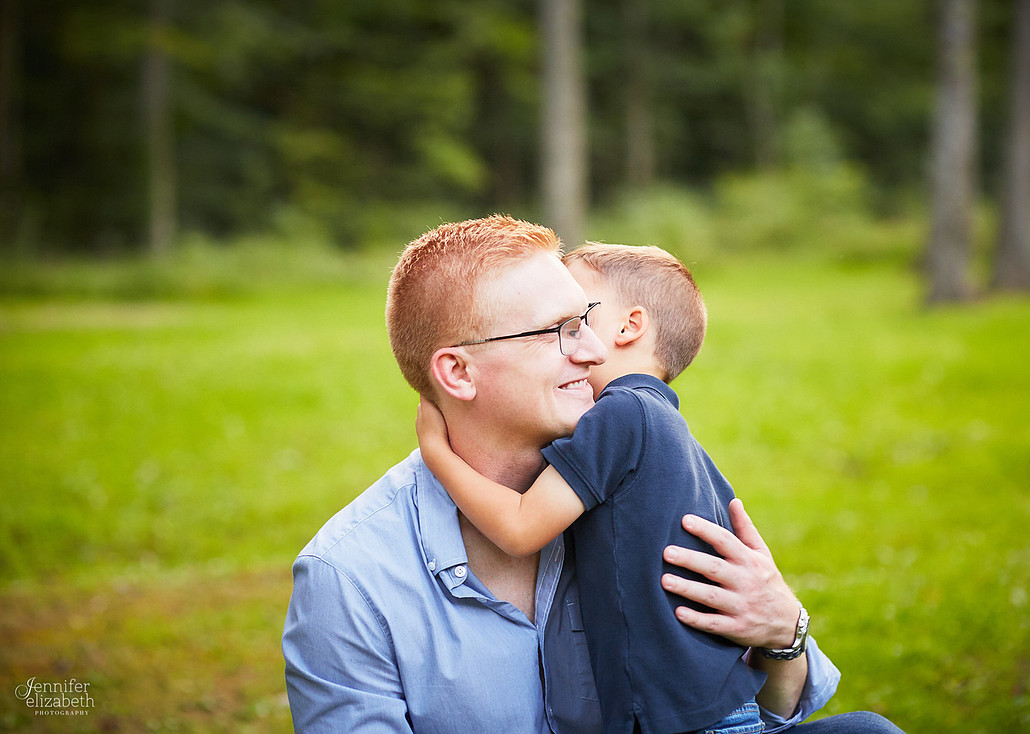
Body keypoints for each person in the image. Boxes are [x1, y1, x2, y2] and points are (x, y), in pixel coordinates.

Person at [282, 215, 904, 734]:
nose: (593, 350)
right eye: (557, 332)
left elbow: (770, 709)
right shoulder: (350, 578)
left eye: (585, 320)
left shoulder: (636, 477)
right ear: (459, 374)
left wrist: (782, 632)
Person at [415, 242, 791, 733]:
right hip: (713, 708)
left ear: (627, 327)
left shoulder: (623, 414)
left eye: (579, 318)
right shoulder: (676, 439)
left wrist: (435, 451)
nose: (575, 341)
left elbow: (521, 527)